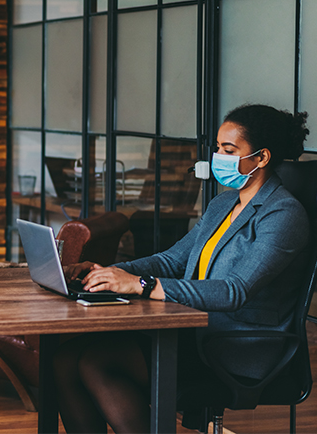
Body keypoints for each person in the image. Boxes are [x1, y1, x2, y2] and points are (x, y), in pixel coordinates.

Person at [54, 104, 311, 434]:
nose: (219, 156)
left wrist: (142, 285)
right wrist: (109, 272)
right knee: (63, 360)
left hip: (235, 347)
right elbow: (172, 261)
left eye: (229, 150)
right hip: (194, 330)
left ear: (261, 158)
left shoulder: (284, 215)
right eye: (218, 148)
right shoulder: (224, 204)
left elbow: (235, 290)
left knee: (96, 362)